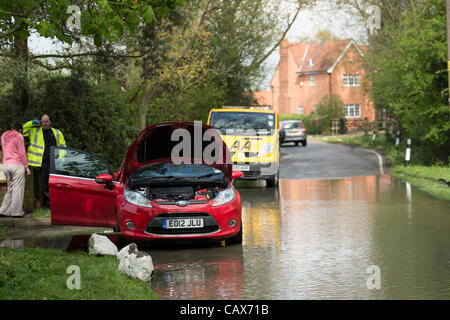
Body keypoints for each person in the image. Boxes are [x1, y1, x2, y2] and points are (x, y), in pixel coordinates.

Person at [23, 115, 66, 208]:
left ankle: (57, 204)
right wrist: (31, 123)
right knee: (45, 184)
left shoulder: (57, 132)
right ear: (40, 122)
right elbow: (23, 130)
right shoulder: (34, 131)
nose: (45, 123)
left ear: (50, 122)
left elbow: (63, 147)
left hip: (55, 163)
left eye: (46, 121)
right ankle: (49, 206)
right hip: (43, 163)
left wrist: (61, 161)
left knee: (56, 185)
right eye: (43, 121)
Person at [0, 122, 31, 218]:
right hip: (17, 165)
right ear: (20, 130)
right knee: (18, 189)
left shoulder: (3, 136)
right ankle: (16, 212)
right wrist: (26, 167)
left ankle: (3, 210)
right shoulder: (19, 136)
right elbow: (22, 153)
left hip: (6, 165)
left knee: (10, 189)